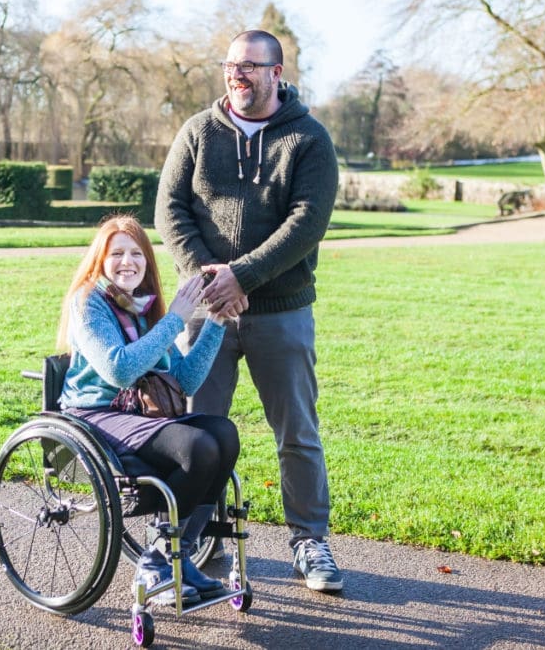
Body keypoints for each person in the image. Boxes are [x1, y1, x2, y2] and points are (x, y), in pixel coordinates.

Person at [155, 29, 343, 593]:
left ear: (277, 72)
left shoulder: (309, 139)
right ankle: (184, 545)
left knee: (297, 434)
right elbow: (170, 210)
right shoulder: (197, 131)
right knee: (193, 430)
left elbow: (307, 223)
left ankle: (309, 543)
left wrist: (244, 276)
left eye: (251, 67)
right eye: (231, 66)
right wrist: (214, 280)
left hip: (281, 312)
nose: (238, 75)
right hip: (204, 310)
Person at [57, 215, 240, 606]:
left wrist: (216, 322)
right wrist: (175, 318)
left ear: (147, 262)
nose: (128, 262)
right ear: (100, 260)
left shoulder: (145, 308)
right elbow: (119, 369)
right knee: (197, 447)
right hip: (95, 413)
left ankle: (177, 554)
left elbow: (185, 381)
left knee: (223, 434)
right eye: (117, 253)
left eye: (137, 253)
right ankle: (158, 561)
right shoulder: (89, 302)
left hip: (139, 413)